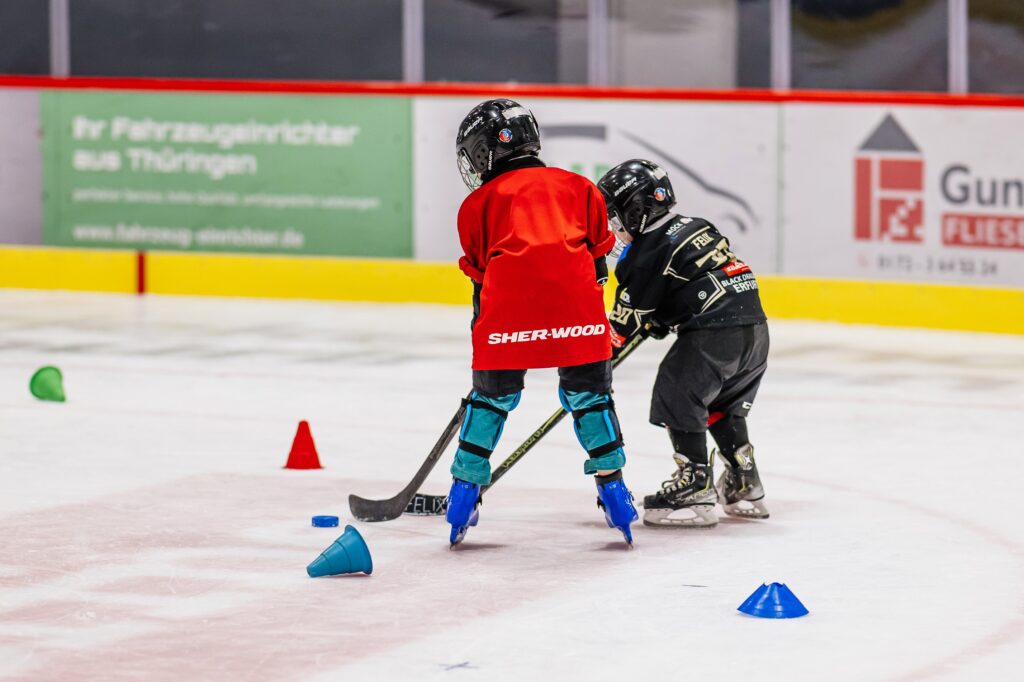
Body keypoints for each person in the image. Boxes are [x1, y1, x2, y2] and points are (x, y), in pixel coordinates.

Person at [445, 99, 638, 546]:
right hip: (578, 316)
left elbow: (479, 278)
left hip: (506, 317)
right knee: (590, 398)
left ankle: (462, 494)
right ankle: (614, 491)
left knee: (492, 400)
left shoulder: (476, 205)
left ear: (484, 152)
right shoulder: (582, 187)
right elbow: (599, 265)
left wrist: (485, 346)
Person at [597, 159, 770, 529]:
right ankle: (744, 478)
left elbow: (622, 326)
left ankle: (695, 483)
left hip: (715, 333)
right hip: (755, 331)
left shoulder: (644, 255)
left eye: (615, 214)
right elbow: (692, 277)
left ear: (635, 209)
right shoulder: (697, 225)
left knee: (676, 392)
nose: (614, 225)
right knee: (721, 403)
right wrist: (663, 316)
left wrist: (592, 363)